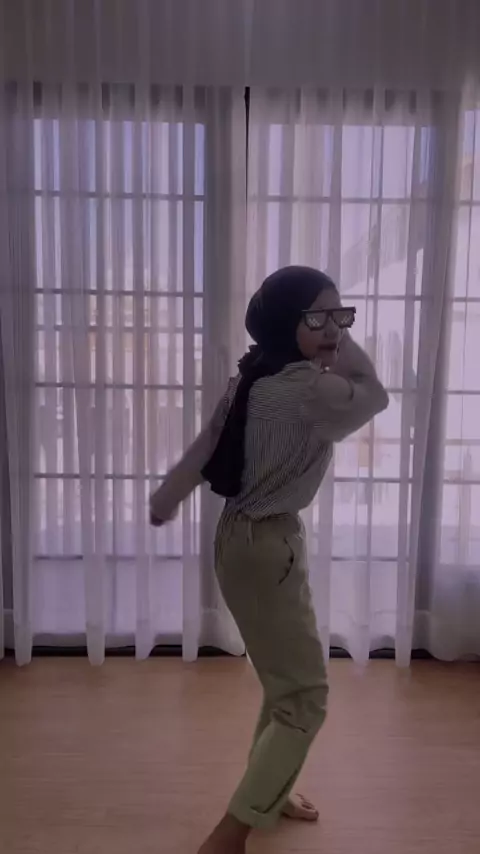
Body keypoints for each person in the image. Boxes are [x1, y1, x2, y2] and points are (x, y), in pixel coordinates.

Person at [150, 266, 389, 854]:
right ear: (287, 322)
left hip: (238, 541)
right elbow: (374, 393)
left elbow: (207, 444)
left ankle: (271, 793)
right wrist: (339, 347)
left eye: (341, 316)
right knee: (305, 696)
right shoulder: (313, 391)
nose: (333, 329)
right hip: (268, 547)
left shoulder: (253, 374)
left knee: (283, 684)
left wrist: (166, 498)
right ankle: (230, 833)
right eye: (318, 317)